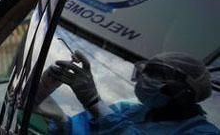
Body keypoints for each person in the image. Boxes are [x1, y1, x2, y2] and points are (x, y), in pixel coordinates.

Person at [42, 51, 219, 134]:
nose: (144, 79)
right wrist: (60, 119)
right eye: (144, 71)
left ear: (186, 91)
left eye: (157, 74)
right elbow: (78, 131)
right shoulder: (127, 110)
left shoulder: (203, 133)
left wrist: (95, 103)